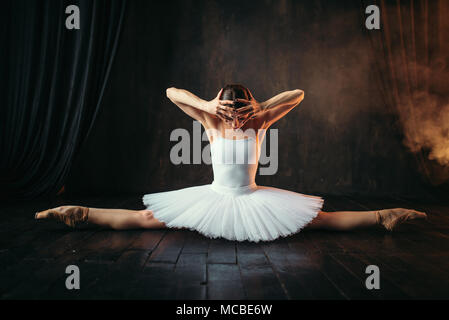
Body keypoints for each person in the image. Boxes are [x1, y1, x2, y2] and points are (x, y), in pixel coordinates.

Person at [35, 84, 427, 242]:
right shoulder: (210, 119)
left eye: (239, 108)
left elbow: (299, 94)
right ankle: (79, 213)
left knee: (318, 222)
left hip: (253, 195)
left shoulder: (259, 119)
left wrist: (262, 106)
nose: (235, 116)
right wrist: (208, 106)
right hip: (215, 195)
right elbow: (172, 93)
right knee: (145, 219)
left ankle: (384, 216)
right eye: (230, 108)